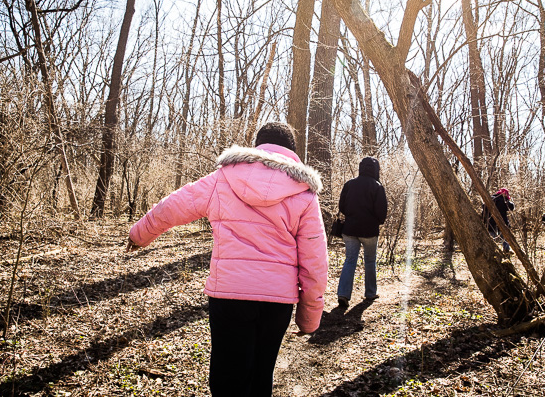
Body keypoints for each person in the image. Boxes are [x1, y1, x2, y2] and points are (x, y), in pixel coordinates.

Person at [127, 122, 328, 397]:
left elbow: (172, 206)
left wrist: (139, 235)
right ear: (292, 152)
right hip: (277, 301)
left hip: (229, 296)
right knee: (261, 375)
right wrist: (309, 319)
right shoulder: (304, 193)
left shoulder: (223, 178)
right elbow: (315, 262)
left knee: (227, 377)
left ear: (257, 147)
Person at [336, 157, 388, 309]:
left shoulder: (350, 184)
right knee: (370, 261)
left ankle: (343, 294)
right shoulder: (377, 186)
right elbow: (381, 212)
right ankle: (370, 293)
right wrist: (375, 221)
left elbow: (342, 206)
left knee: (350, 260)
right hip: (369, 231)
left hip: (350, 229)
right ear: (376, 169)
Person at [481, 188, 514, 253]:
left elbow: (484, 208)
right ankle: (506, 248)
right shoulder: (504, 201)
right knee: (504, 236)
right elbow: (512, 207)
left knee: (491, 236)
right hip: (502, 222)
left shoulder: (490, 199)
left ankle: (491, 250)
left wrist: (484, 219)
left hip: (490, 221)